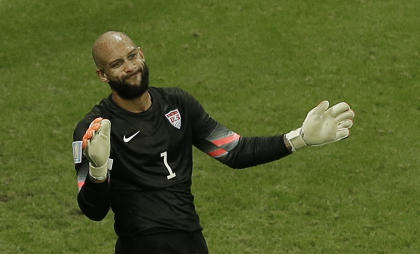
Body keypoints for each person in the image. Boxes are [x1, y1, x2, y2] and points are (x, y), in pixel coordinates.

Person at [72, 31, 355, 254]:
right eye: (117, 64)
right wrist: (97, 172)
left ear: (142, 54)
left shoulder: (178, 103)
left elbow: (234, 151)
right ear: (102, 75)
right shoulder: (93, 130)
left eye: (132, 56)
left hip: (191, 240)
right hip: (140, 245)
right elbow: (93, 211)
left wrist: (299, 138)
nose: (130, 67)